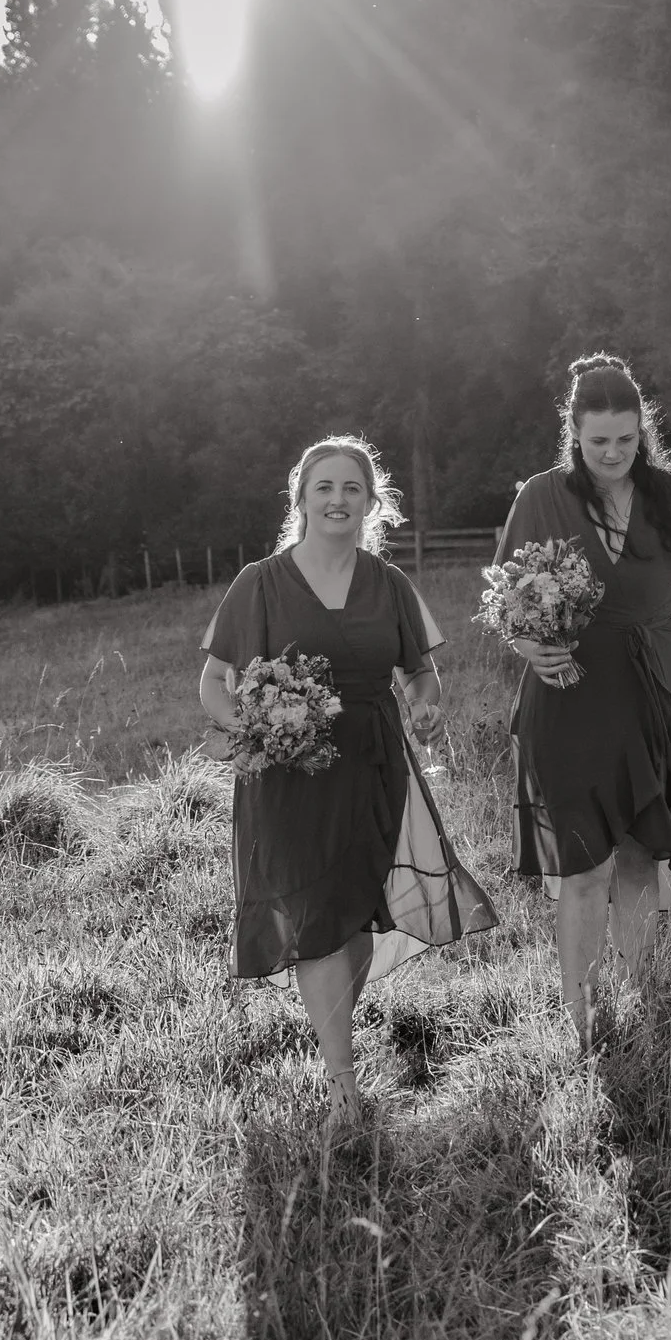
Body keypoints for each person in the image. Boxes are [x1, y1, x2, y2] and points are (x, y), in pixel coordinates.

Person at [196, 435, 496, 1137]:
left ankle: (334, 1035)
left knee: (359, 920)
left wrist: (425, 702)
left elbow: (421, 671)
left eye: (351, 488)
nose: (337, 499)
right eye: (323, 486)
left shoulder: (389, 583)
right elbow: (213, 684)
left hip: (373, 763)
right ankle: (344, 1087)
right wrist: (262, 729)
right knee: (320, 921)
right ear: (300, 497)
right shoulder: (259, 582)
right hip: (292, 776)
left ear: (370, 500)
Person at [501, 355, 671, 1048]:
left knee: (639, 856)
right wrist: (527, 647)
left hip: (660, 691)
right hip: (570, 695)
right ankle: (578, 1019)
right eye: (598, 439)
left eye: (626, 439)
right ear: (573, 431)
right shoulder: (541, 497)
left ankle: (638, 1003)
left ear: (645, 431)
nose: (612, 453)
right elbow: (509, 602)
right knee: (583, 863)